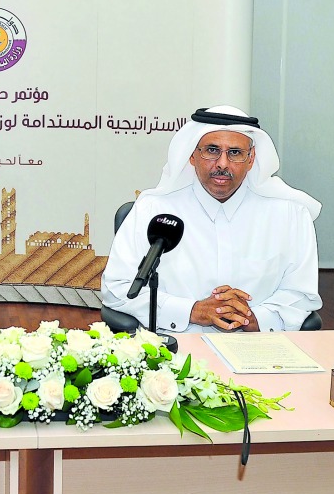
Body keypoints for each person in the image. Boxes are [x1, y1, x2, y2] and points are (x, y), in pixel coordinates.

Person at [101, 105, 321, 334]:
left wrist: (255, 319)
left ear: (251, 158)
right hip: (175, 350)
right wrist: (191, 311)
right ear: (192, 155)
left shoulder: (290, 214)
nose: (222, 164)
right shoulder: (153, 210)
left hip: (259, 350)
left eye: (235, 152)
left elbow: (301, 293)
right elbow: (118, 287)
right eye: (212, 150)